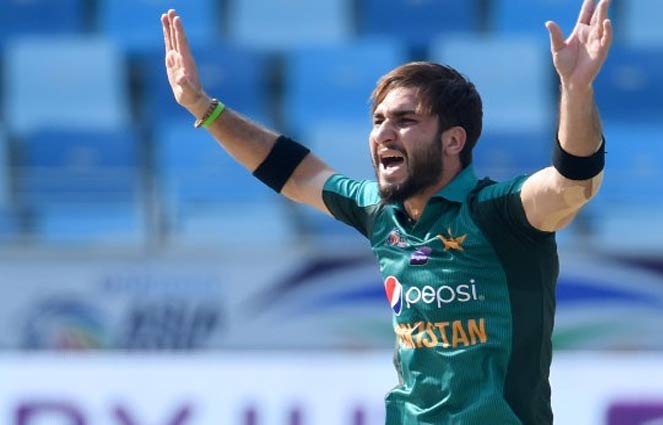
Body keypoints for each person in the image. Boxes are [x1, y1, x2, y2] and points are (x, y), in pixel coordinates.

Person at [161, 0, 612, 423]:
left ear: (453, 141)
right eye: (378, 121)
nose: (383, 134)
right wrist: (203, 107)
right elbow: (294, 173)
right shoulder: (381, 213)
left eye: (405, 120)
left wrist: (577, 89)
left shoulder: (500, 213)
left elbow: (573, 182)